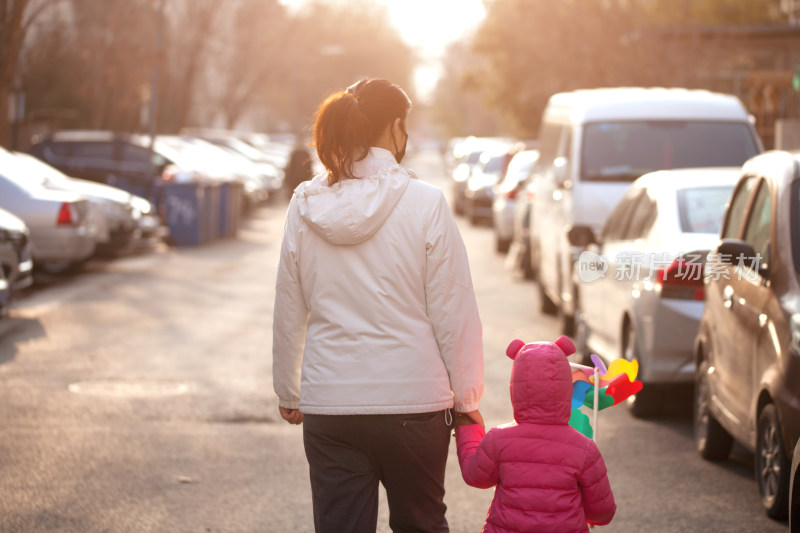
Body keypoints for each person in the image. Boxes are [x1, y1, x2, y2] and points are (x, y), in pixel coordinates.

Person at [272, 77, 485, 533]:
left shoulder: (306, 204)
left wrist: (289, 390)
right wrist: (466, 397)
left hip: (331, 404)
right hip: (415, 402)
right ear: (394, 127)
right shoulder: (425, 202)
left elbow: (290, 304)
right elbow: (453, 308)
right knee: (422, 524)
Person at [455, 336, 616, 533]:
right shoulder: (584, 449)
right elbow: (602, 512)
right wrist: (591, 516)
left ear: (516, 386)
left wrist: (468, 427)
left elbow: (476, 476)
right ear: (566, 386)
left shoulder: (499, 440)